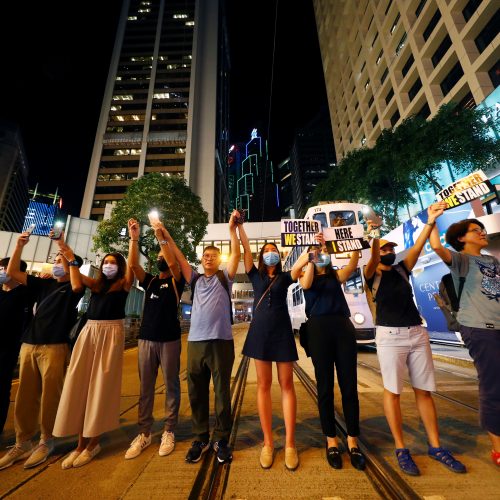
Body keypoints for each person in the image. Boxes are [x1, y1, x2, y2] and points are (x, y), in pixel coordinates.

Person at [363, 206, 466, 476]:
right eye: (385, 249)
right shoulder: (371, 273)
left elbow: (418, 247)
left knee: (424, 391)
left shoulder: (401, 270)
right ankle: (401, 448)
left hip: (417, 334)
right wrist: (375, 236)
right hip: (390, 336)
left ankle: (435, 446)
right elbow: (372, 256)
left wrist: (430, 222)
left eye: (390, 249)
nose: (388, 252)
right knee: (393, 392)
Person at [0, 233, 84, 470]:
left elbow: (77, 284)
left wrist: (65, 249)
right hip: (29, 344)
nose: (56, 263)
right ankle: (22, 442)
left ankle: (46, 441)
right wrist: (19, 246)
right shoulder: (43, 284)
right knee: (25, 397)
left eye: (60, 261)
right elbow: (13, 272)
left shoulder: (73, 288)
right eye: (56, 260)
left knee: (50, 397)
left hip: (55, 346)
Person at [52, 233, 133, 468]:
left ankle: (92, 444)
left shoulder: (124, 285)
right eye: (106, 262)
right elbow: (76, 282)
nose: (108, 265)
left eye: (113, 262)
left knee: (100, 388)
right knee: (81, 385)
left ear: (120, 266)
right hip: (89, 332)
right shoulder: (96, 284)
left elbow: (133, 264)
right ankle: (79, 445)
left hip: (110, 333)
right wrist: (65, 250)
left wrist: (134, 241)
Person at [166, 211, 240, 464]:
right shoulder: (194, 279)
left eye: (214, 256)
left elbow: (237, 254)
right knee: (196, 392)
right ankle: (200, 437)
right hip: (196, 343)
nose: (209, 258)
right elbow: (178, 256)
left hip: (221, 342)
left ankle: (220, 439)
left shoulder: (225, 277)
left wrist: (232, 231)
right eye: (206, 256)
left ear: (219, 260)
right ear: (201, 259)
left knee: (221, 392)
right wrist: (165, 235)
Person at [429, 205, 500, 467]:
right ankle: (497, 448)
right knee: (493, 385)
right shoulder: (461, 260)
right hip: (479, 328)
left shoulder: (492, 261)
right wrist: (433, 220)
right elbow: (437, 248)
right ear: (461, 238)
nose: (482, 232)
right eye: (475, 230)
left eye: (482, 229)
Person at [238, 220, 304, 471]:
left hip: (282, 333)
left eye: (273, 250)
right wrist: (239, 228)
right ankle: (268, 443)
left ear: (279, 255)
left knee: (287, 385)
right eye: (266, 251)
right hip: (260, 334)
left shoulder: (286, 277)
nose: (270, 253)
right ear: (261, 257)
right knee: (263, 386)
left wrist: (311, 246)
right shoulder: (254, 275)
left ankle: (289, 444)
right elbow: (245, 248)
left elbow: (300, 264)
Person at [299, 234, 366, 471]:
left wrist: (355, 247)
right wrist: (312, 253)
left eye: (321, 253)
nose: (319, 254)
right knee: (325, 387)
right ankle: (331, 441)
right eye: (315, 252)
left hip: (342, 327)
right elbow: (306, 284)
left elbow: (351, 266)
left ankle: (353, 440)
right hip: (318, 329)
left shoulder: (334, 275)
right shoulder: (304, 275)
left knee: (349, 386)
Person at [124, 218, 185, 459]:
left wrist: (161, 234)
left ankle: (169, 430)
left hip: (170, 340)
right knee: (145, 388)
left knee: (171, 385)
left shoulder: (176, 279)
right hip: (146, 339)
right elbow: (132, 266)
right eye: (158, 255)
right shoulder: (149, 281)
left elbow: (172, 261)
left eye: (162, 254)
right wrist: (134, 238)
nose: (160, 257)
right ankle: (144, 433)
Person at [0, 258, 33, 436]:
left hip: (7, 349)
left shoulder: (25, 294)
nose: (2, 271)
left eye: (5, 268)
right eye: (1, 267)